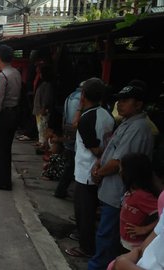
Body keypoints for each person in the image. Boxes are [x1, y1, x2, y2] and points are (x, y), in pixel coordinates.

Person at [89, 81, 154, 270]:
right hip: (111, 191)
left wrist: (99, 173)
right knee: (106, 236)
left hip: (118, 195)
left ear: (139, 104)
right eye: (119, 100)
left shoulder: (139, 128)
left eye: (126, 100)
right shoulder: (127, 123)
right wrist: (98, 166)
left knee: (107, 238)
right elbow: (110, 152)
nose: (120, 104)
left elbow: (119, 162)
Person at [65, 78, 115, 259]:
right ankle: (85, 238)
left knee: (83, 212)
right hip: (97, 172)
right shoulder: (106, 114)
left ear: (83, 95)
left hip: (87, 172)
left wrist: (103, 155)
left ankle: (86, 247)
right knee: (91, 210)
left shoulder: (87, 118)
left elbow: (94, 148)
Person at [0, 45, 22, 191]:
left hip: (3, 116)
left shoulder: (2, 76)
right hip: (13, 113)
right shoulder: (15, 72)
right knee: (6, 148)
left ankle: (3, 182)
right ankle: (2, 176)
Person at [118, 153, 160, 251]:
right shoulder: (131, 191)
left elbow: (162, 216)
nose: (119, 172)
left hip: (135, 247)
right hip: (125, 242)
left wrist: (145, 229)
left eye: (122, 169)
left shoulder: (142, 196)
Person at [54, 82, 83, 199]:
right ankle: (62, 191)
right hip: (75, 134)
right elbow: (75, 122)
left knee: (70, 164)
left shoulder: (71, 96)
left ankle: (61, 190)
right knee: (72, 165)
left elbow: (65, 116)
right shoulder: (80, 99)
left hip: (68, 132)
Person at [33, 65, 54, 151]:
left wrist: (44, 107)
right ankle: (41, 141)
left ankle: (43, 143)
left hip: (42, 110)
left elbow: (46, 98)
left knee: (43, 126)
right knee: (40, 126)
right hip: (39, 109)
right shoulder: (43, 84)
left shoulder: (47, 85)